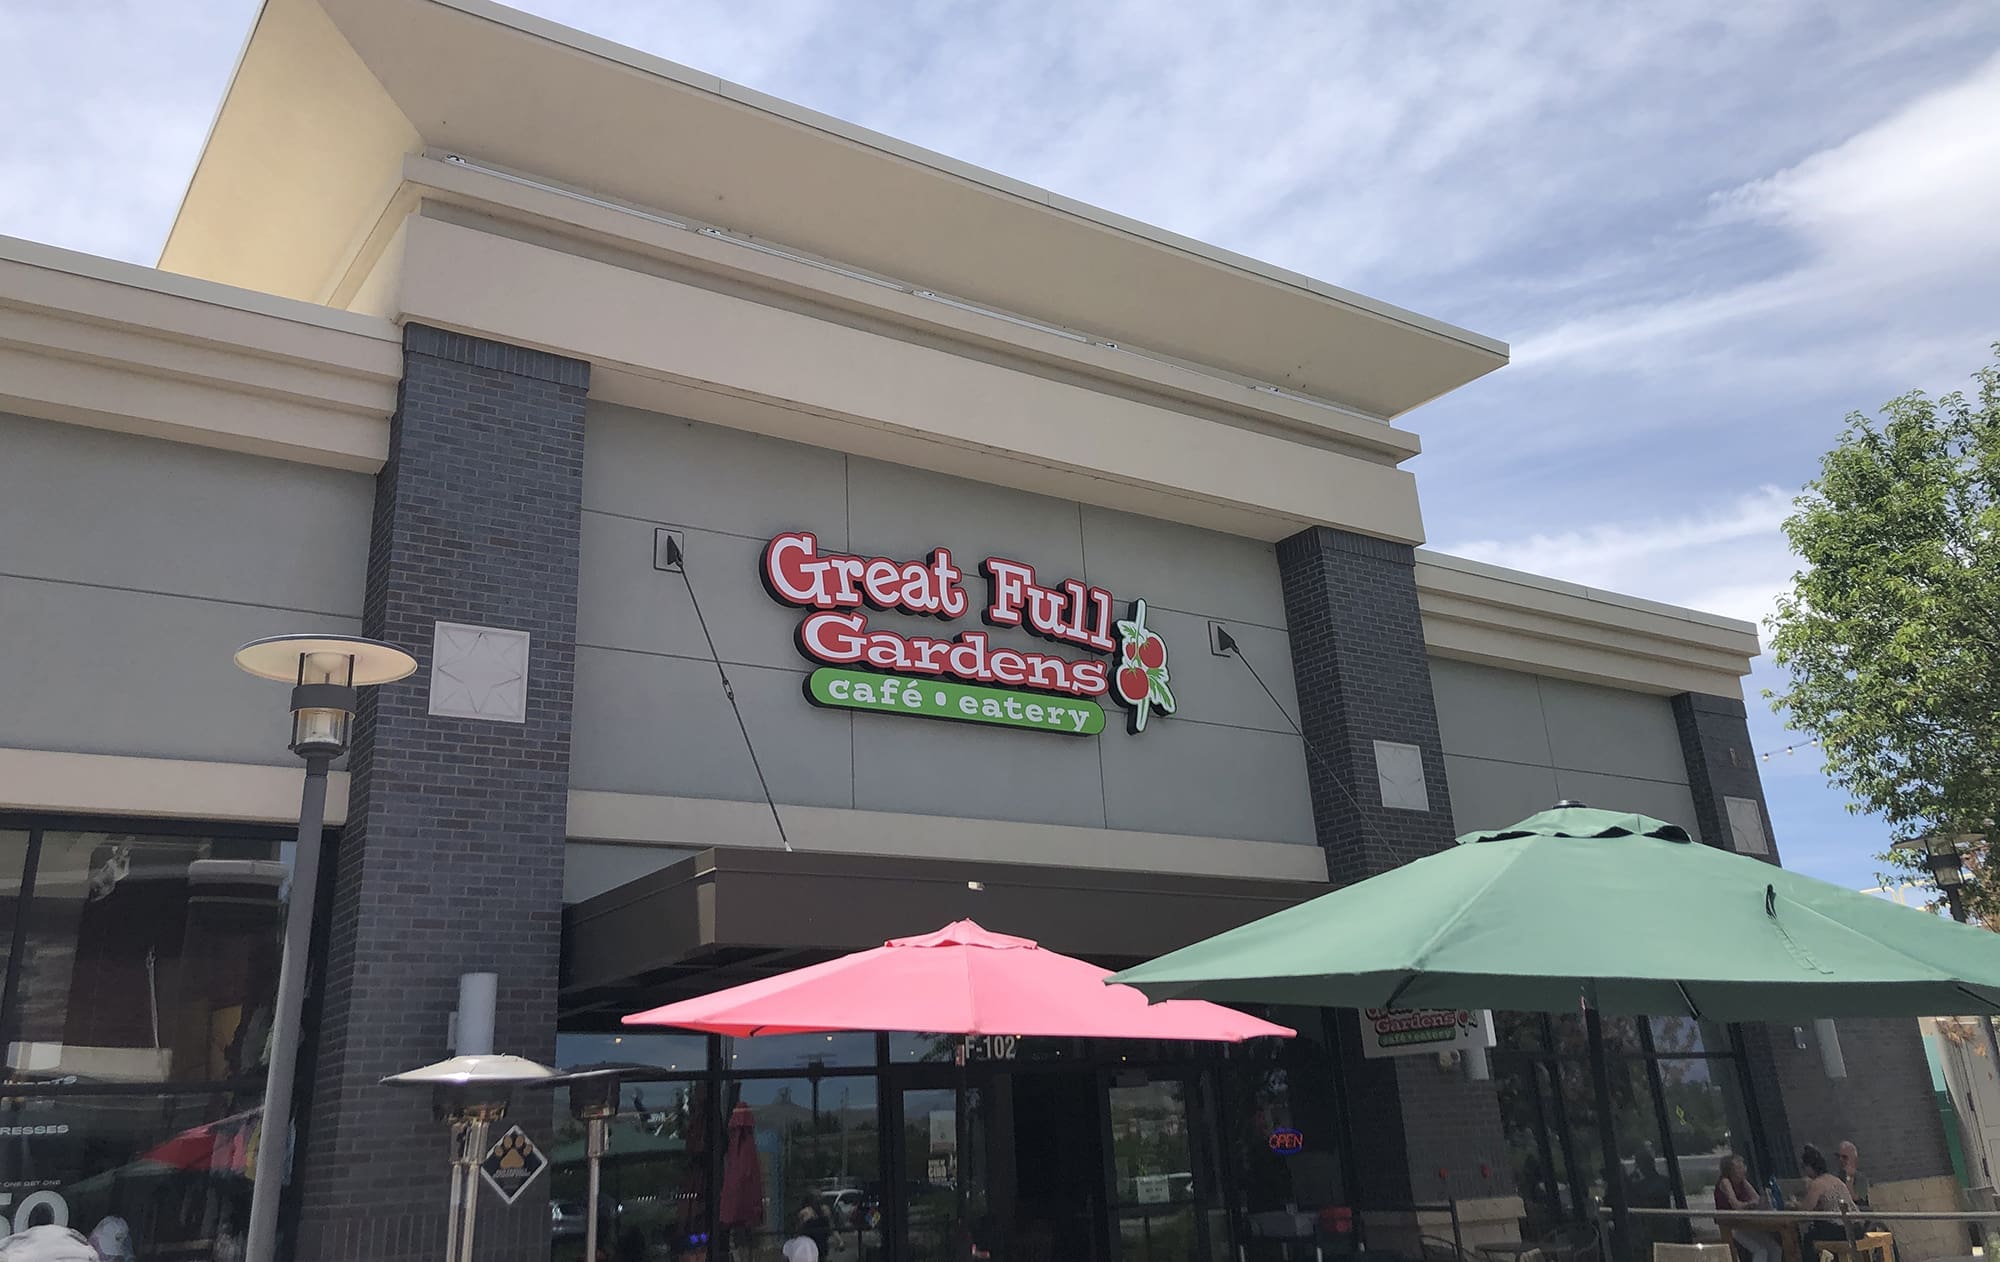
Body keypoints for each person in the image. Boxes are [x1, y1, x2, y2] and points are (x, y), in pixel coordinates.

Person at [1715, 1154, 1781, 1262]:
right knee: (1761, 1250)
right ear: (1730, 1170)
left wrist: (1763, 1200)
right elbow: (1736, 1205)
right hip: (1732, 1226)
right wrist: (1749, 1204)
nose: (1743, 1170)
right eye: (1738, 1168)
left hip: (1746, 1224)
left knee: (1775, 1248)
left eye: (1743, 1166)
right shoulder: (1725, 1182)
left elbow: (1757, 1198)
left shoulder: (1743, 1181)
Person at [1797, 1144, 1856, 1254]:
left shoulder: (1817, 1184)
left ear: (1809, 1167)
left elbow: (1804, 1212)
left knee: (1808, 1238)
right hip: (1854, 1226)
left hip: (1839, 1229)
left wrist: (1795, 1205)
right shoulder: (1835, 1179)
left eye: (1804, 1167)